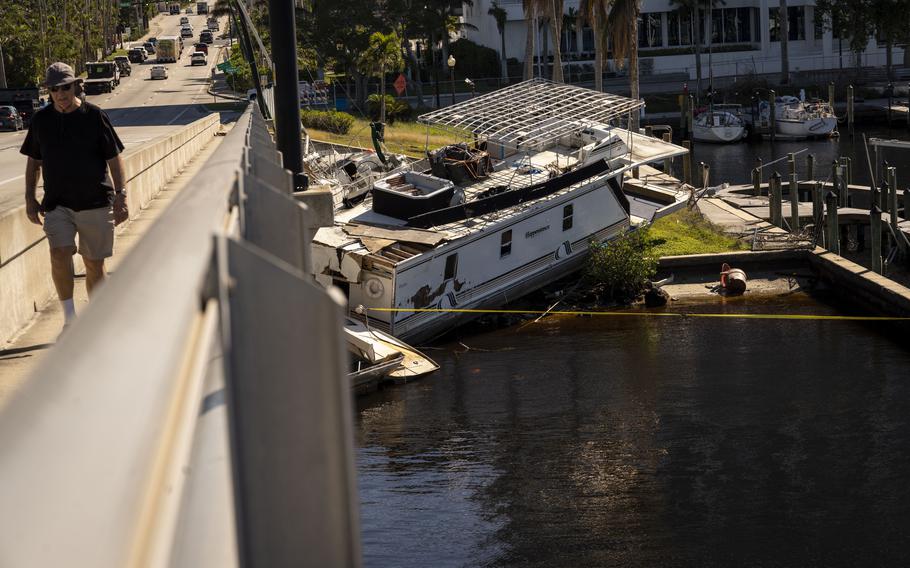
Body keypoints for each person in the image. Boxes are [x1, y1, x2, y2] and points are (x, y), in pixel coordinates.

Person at [21, 62, 128, 330]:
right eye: (54, 89)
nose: (60, 94)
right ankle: (69, 320)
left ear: (75, 86)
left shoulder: (94, 117)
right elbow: (34, 163)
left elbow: (114, 159)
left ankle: (97, 322)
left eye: (65, 87)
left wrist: (121, 195)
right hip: (58, 204)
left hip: (95, 202)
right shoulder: (40, 121)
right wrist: (30, 199)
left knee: (94, 265)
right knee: (59, 253)